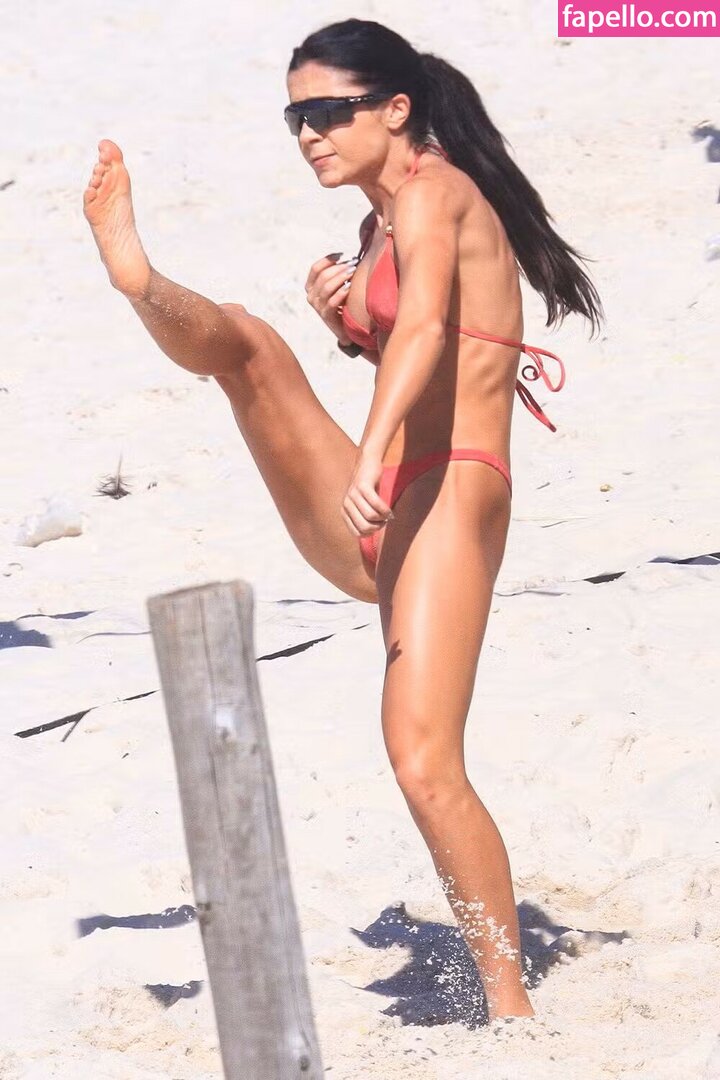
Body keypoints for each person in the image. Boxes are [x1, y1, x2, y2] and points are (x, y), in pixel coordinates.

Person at [83, 17, 603, 1023]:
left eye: (329, 112)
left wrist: (371, 448)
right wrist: (345, 333)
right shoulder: (379, 226)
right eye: (297, 119)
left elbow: (430, 328)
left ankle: (511, 1011)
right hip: (389, 502)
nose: (311, 134)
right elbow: (409, 340)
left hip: (449, 489)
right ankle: (141, 282)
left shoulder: (437, 192)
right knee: (253, 350)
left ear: (395, 109)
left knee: (422, 759)